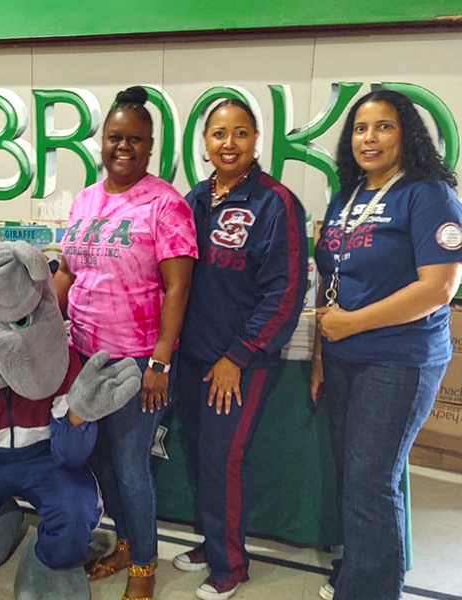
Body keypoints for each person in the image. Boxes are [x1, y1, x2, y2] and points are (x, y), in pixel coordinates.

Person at [310, 90, 462, 600]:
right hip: (343, 356)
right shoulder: (349, 195)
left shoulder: (428, 196)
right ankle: (366, 569)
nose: (369, 138)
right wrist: (321, 353)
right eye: (360, 128)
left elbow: (439, 289)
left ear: (407, 134)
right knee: (355, 476)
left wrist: (353, 325)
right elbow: (332, 278)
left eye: (383, 127)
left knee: (370, 479)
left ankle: (372, 589)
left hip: (400, 359)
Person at [55, 86, 198, 600]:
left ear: (150, 145)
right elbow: (68, 271)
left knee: (129, 464)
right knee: (97, 460)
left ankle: (144, 567)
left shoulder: (166, 204)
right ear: (102, 142)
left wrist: (159, 361)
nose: (123, 147)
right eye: (115, 137)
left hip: (137, 359)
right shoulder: (86, 199)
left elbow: (178, 287)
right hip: (84, 356)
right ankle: (124, 541)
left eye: (134, 140)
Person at [171, 98, 308, 600]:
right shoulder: (192, 199)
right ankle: (212, 542)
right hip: (192, 355)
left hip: (240, 362)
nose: (229, 143)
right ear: (205, 145)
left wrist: (238, 356)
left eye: (241, 133)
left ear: (256, 141)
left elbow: (285, 292)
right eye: (219, 134)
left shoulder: (277, 203)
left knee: (225, 457)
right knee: (200, 453)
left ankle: (231, 565)